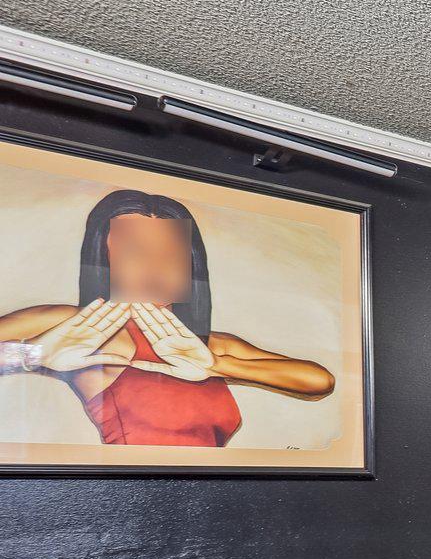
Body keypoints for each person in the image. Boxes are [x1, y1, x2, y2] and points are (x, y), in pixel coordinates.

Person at [0, 189, 334, 446]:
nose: (155, 266)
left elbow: (319, 380)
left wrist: (217, 366)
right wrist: (32, 355)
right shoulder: (75, 323)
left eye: (172, 254)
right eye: (135, 251)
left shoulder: (211, 344)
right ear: (104, 256)